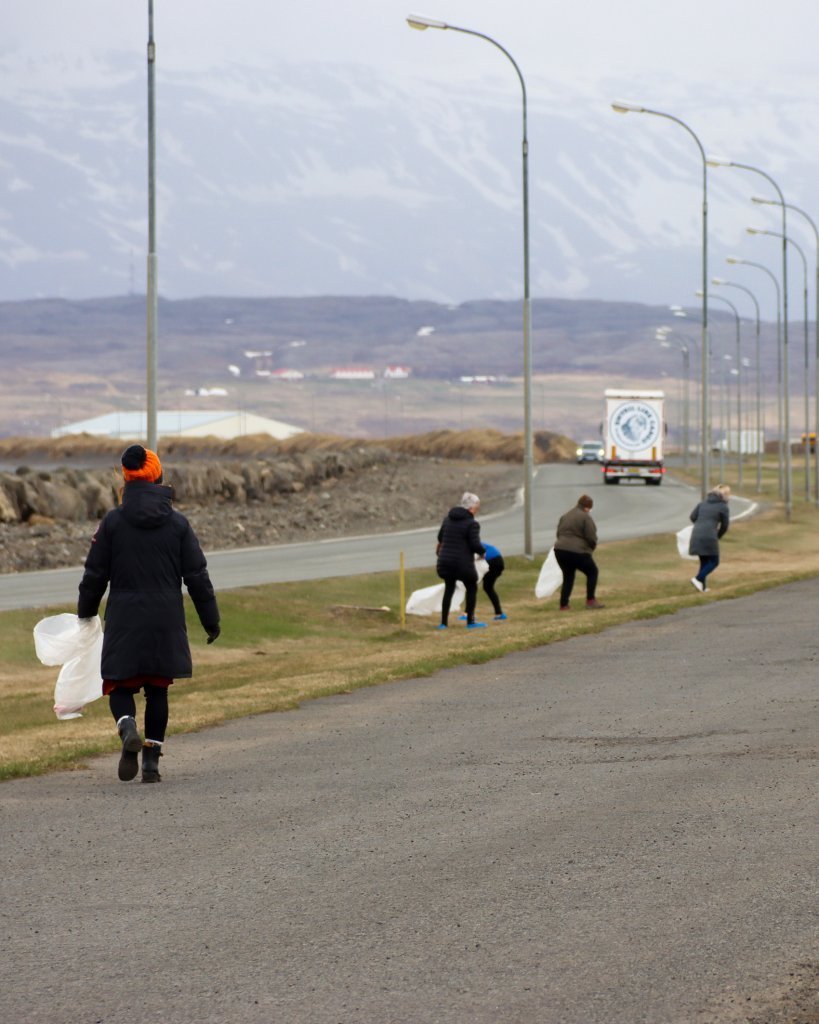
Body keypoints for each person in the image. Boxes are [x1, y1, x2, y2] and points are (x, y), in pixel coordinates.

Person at [77, 445, 220, 783]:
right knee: (157, 689)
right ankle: (152, 762)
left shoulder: (112, 523)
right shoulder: (178, 524)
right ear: (158, 477)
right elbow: (197, 576)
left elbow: (95, 575)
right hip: (164, 617)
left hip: (124, 615)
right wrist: (210, 619)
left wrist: (85, 614)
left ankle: (127, 725)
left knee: (119, 684)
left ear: (126, 479)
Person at [436, 491, 486, 629]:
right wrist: (482, 552)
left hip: (445, 562)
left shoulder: (448, 519)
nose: (477, 510)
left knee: (449, 588)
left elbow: (440, 538)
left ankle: (443, 623)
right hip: (462, 563)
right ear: (472, 508)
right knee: (471, 586)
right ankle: (470, 621)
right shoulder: (472, 523)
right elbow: (475, 544)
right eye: (477, 507)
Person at [554, 494, 604, 610]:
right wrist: (591, 548)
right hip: (577, 552)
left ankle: (563, 605)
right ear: (587, 507)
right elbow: (591, 536)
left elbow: (558, 533)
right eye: (589, 508)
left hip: (560, 550)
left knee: (568, 576)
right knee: (592, 572)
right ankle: (591, 600)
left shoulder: (566, 515)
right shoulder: (585, 517)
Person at [688, 483, 731, 593]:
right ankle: (697, 579)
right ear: (725, 495)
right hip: (709, 535)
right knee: (714, 561)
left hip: (696, 533)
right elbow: (725, 526)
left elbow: (692, 517)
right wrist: (717, 536)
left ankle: (702, 587)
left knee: (704, 561)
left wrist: (700, 525)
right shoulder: (723, 506)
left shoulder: (702, 503)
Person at [480, 542, 507, 621]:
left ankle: (468, 614)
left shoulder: (466, 542)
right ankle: (499, 613)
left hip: (492, 561)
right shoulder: (472, 540)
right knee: (487, 587)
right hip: (498, 560)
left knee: (473, 586)